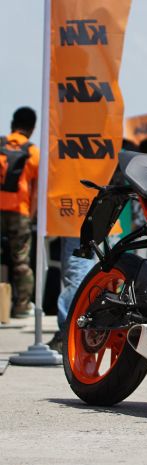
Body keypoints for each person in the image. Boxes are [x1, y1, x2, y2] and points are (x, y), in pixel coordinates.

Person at [0, 107, 40, 318]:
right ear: (32, 128)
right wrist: (30, 216)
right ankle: (22, 306)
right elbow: (36, 191)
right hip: (19, 211)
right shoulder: (32, 152)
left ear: (12, 123)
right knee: (21, 261)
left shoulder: (0, 144)